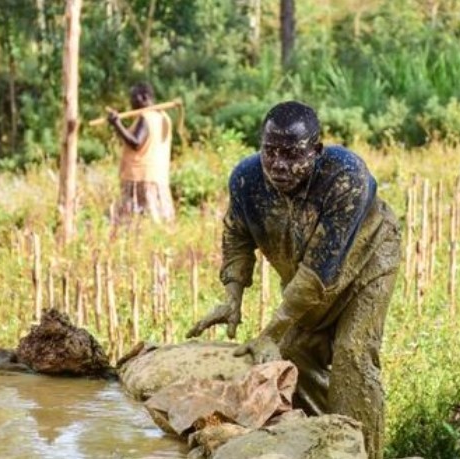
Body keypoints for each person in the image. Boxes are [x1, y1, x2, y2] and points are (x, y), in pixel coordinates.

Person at [186, 101, 401, 459]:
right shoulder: (246, 179)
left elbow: (320, 271)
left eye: (291, 154)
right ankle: (324, 447)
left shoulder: (345, 177)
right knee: (295, 356)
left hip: (367, 261)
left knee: (352, 354)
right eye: (270, 152)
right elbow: (237, 236)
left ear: (316, 151)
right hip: (303, 271)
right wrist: (233, 295)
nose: (279, 165)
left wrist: (270, 331)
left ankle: (365, 453)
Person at [107, 82, 175, 223]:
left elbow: (136, 142)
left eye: (133, 98)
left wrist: (117, 124)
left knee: (134, 221)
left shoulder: (146, 117)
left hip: (140, 179)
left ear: (144, 98)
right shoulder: (164, 117)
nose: (130, 102)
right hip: (158, 177)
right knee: (156, 220)